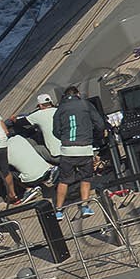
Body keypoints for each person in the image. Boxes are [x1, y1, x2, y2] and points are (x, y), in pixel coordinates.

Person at [51, 85, 106, 221]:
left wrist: (65, 138)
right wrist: (95, 137)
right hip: (84, 148)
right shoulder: (86, 105)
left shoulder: (60, 109)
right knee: (85, 178)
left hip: (67, 149)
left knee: (64, 180)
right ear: (78, 94)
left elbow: (56, 131)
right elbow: (99, 124)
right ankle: (85, 206)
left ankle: (58, 210)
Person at [1, 132, 53, 202]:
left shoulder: (3, 150)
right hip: (47, 172)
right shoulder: (19, 137)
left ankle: (29, 189)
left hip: (32, 180)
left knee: (6, 172)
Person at [24, 93, 63, 159]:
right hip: (70, 151)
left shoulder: (38, 114)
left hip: (58, 156)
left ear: (40, 106)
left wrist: (13, 119)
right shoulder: (60, 110)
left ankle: (48, 167)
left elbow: (20, 122)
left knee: (37, 148)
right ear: (51, 103)